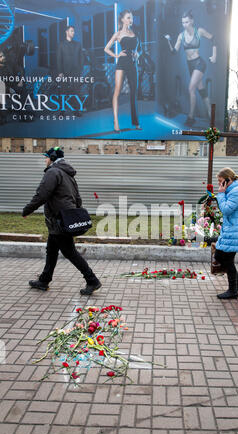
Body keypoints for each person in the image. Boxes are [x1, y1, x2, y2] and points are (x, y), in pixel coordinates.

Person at [22, 147, 101, 296]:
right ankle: (44, 280)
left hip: (59, 220)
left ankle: (92, 280)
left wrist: (27, 210)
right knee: (51, 251)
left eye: (46, 157)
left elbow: (41, 195)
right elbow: (77, 198)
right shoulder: (68, 174)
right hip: (62, 219)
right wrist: (74, 213)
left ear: (52, 158)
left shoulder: (53, 172)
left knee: (69, 252)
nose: (45, 160)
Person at [165, 9, 216, 126]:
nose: (185, 25)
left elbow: (214, 38)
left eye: (187, 22)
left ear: (192, 21)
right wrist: (168, 41)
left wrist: (214, 55)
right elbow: (174, 51)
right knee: (201, 90)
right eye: (183, 22)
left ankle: (191, 117)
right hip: (190, 65)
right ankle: (210, 113)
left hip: (199, 63)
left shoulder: (199, 31)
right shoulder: (181, 36)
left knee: (191, 89)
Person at [214, 167, 238, 299]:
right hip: (230, 230)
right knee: (220, 256)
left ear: (228, 180)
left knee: (227, 259)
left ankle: (233, 290)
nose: (219, 184)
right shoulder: (232, 191)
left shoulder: (236, 192)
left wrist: (221, 194)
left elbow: (226, 210)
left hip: (234, 232)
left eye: (220, 181)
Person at [104, 10, 141, 133]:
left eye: (132, 18)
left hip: (133, 64)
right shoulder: (118, 34)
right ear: (122, 20)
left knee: (134, 93)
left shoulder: (135, 32)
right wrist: (116, 55)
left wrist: (137, 54)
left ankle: (136, 122)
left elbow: (138, 49)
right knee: (117, 92)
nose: (131, 20)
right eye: (129, 18)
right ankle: (116, 121)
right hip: (121, 64)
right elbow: (106, 48)